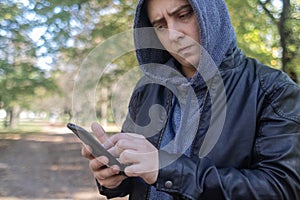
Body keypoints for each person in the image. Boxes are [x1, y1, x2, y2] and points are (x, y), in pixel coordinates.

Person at [81, 0, 300, 199]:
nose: (173, 34)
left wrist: (166, 169)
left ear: (210, 12)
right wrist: (112, 178)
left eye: (184, 15)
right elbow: (137, 175)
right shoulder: (147, 88)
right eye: (160, 26)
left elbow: (282, 188)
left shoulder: (273, 89)